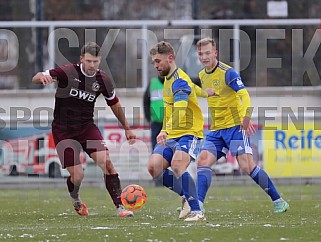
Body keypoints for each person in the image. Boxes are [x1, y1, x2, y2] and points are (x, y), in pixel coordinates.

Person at [179, 37, 289, 218]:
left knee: (247, 166)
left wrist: (246, 118)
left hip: (235, 127)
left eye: (207, 53)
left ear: (215, 53)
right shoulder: (201, 75)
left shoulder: (227, 73)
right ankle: (198, 204)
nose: (204, 57)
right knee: (203, 162)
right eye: (200, 54)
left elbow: (245, 96)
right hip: (216, 130)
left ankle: (278, 200)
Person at [32, 42, 136, 217]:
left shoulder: (103, 79)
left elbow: (115, 104)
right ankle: (76, 198)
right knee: (78, 175)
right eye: (89, 61)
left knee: (107, 163)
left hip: (87, 128)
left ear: (100, 60)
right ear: (81, 59)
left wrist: (127, 128)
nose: (92, 65)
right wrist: (41, 79)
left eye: (95, 61)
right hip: (63, 131)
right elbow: (37, 76)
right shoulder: (67, 72)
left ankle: (121, 207)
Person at [147, 41, 214, 222]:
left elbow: (181, 110)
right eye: (154, 62)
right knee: (154, 167)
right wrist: (206, 93)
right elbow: (194, 89)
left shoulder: (179, 81)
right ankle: (186, 195)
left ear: (170, 58)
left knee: (177, 165)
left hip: (188, 133)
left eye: (158, 61)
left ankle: (197, 211)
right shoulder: (171, 78)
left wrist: (165, 130)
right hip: (171, 133)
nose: (156, 65)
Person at [143, 76, 165, 151]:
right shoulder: (153, 83)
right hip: (156, 122)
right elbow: (146, 101)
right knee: (156, 147)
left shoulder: (173, 82)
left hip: (170, 123)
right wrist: (148, 117)